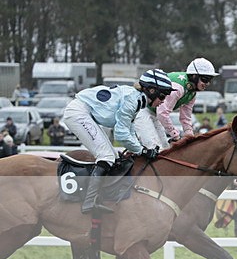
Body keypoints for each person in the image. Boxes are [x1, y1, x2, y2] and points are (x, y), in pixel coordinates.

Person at [62, 68, 173, 214]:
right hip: (78, 113)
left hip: (84, 112)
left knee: (113, 157)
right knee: (106, 156)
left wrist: (140, 148)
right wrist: (142, 150)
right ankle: (89, 202)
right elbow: (121, 135)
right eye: (162, 96)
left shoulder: (138, 99)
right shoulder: (133, 100)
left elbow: (129, 130)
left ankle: (99, 196)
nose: (163, 101)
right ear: (152, 91)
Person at [155, 57, 219, 145]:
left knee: (164, 147)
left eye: (210, 80)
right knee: (152, 145)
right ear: (194, 76)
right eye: (205, 79)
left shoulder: (191, 93)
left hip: (155, 115)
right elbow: (162, 113)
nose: (207, 83)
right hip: (143, 111)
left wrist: (189, 136)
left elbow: (185, 118)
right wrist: (175, 135)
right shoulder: (178, 88)